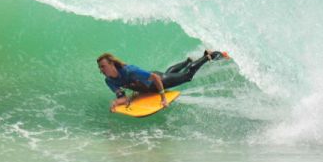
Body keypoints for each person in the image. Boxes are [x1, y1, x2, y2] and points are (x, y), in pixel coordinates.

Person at [97, 50, 228, 112]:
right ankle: (187, 61)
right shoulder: (110, 81)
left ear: (111, 64)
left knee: (187, 76)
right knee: (168, 73)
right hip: (151, 83)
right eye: (99, 67)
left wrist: (163, 97)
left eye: (103, 66)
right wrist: (115, 103)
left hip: (160, 81)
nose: (101, 69)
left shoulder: (129, 70)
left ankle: (209, 56)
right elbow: (123, 97)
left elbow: (154, 77)